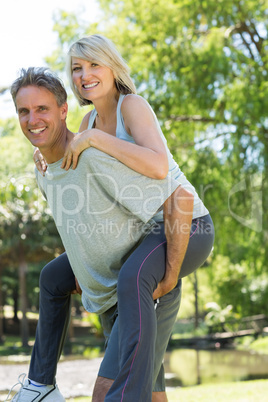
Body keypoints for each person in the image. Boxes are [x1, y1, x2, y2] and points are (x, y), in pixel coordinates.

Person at [7, 67, 214, 402]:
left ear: (63, 111)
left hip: (148, 286)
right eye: (24, 111)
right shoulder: (43, 171)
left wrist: (171, 275)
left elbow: (180, 199)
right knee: (152, 393)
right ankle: (40, 385)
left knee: (106, 394)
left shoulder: (94, 157)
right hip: (113, 292)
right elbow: (79, 226)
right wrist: (84, 265)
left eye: (43, 109)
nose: (33, 119)